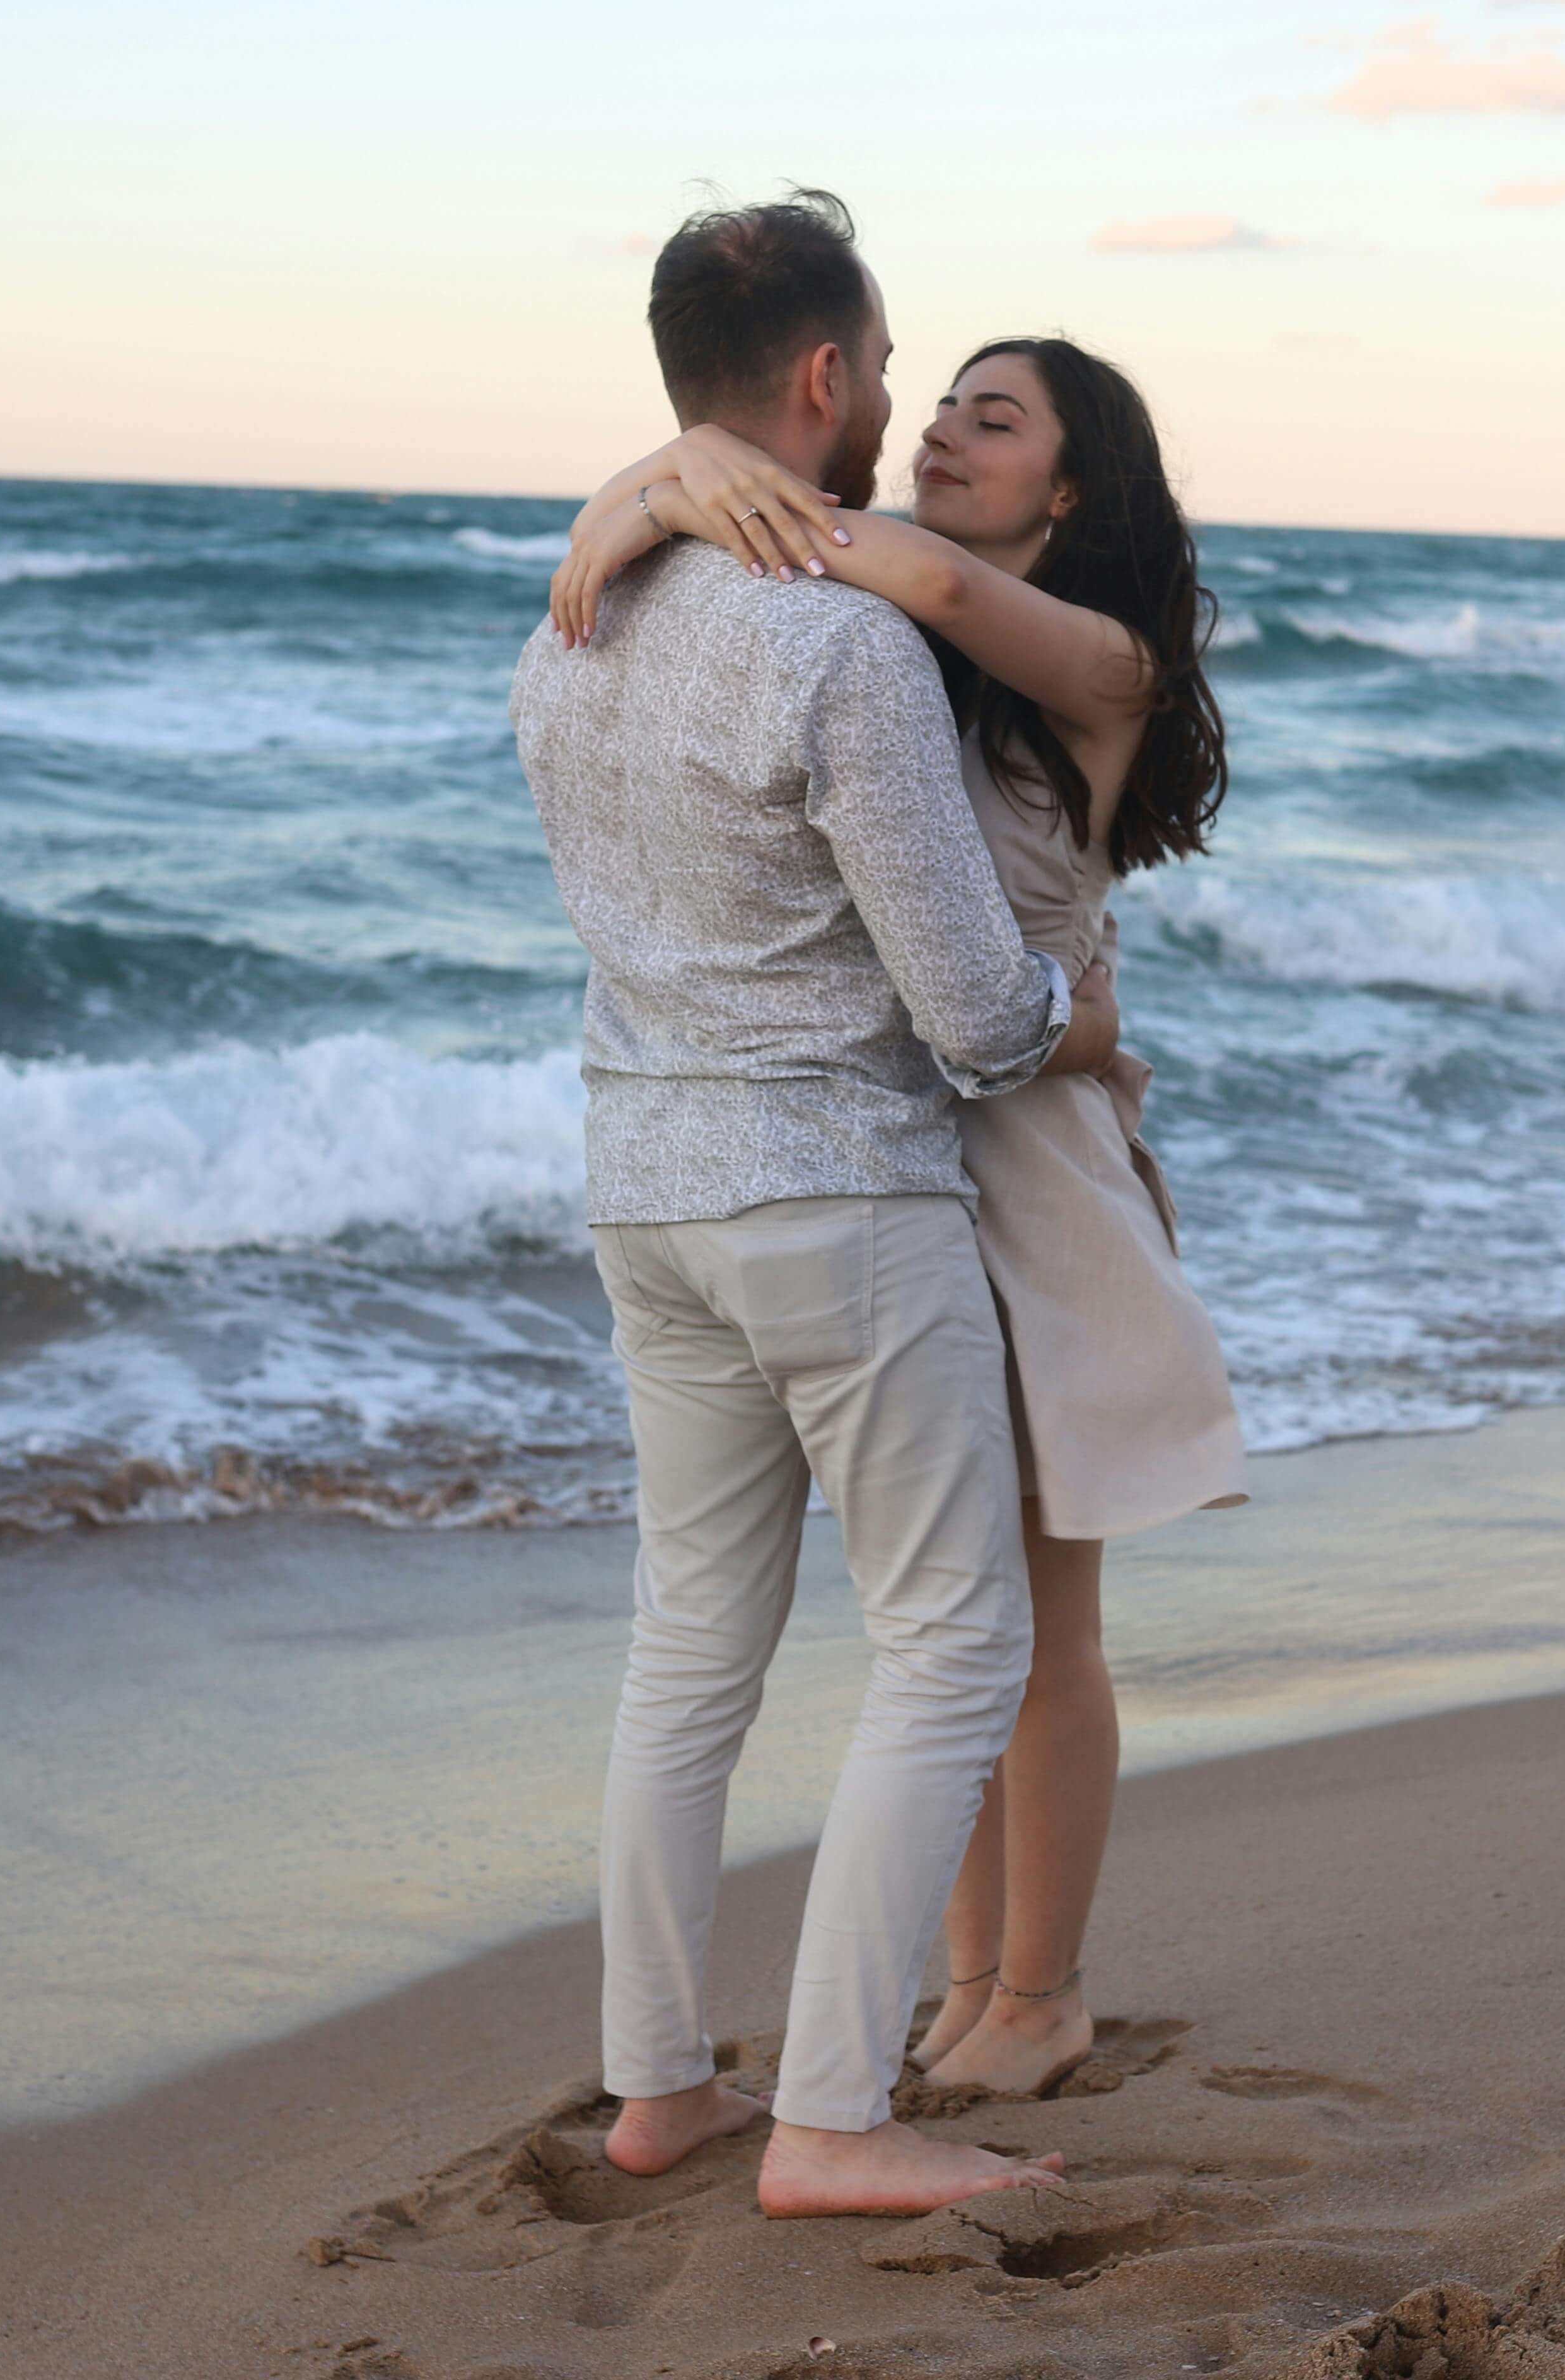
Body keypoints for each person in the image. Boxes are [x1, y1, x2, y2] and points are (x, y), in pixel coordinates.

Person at [511, 190, 1124, 2218]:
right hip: (834, 1198)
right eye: (886, 374)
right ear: (827, 378)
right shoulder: (845, 643)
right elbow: (966, 1015)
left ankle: (658, 2088)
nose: (896, 421)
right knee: (953, 1645)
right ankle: (838, 2121)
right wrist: (1079, 1024)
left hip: (643, 1188)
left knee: (690, 1652)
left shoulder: (576, 618)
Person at [552, 327, 1248, 2106]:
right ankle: (957, 1985)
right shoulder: (890, 652)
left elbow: (920, 564)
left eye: (989, 418)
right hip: (887, 1157)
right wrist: (656, 482)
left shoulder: (1103, 660)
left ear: (1071, 485)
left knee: (1038, 1623)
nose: (939, 429)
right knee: (936, 1621)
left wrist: (676, 482)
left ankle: (1047, 1992)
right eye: (932, 401)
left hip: (1035, 1170)